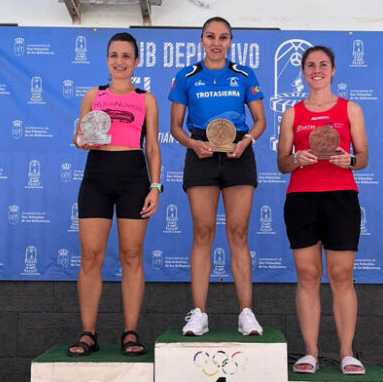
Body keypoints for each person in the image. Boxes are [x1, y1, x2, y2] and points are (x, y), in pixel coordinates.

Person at [169, 16, 267, 336]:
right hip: (201, 153)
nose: (216, 42)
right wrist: (192, 143)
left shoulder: (243, 74)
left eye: (223, 37)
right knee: (203, 231)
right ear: (201, 40)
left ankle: (246, 313)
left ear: (230, 42)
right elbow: (175, 127)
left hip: (238, 152)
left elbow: (260, 122)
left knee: (238, 233)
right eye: (210, 36)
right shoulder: (186, 76)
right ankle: (199, 313)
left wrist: (246, 141)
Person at [68, 32, 161, 357]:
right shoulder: (93, 94)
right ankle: (88, 334)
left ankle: (130, 332)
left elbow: (152, 146)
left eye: (126, 56)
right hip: (97, 176)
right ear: (106, 60)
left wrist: (155, 185)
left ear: (137, 61)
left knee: (131, 257)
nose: (119, 61)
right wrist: (80, 140)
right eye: (114, 55)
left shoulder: (147, 99)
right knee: (91, 256)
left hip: (133, 177)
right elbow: (79, 135)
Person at [276, 46, 368, 375]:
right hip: (302, 198)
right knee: (307, 276)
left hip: (341, 197)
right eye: (311, 65)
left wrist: (350, 161)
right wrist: (296, 159)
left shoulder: (351, 110)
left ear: (333, 69)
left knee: (342, 276)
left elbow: (363, 157)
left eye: (323, 64)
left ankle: (346, 353)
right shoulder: (292, 114)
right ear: (303, 72)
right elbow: (281, 163)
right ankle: (310, 352)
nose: (317, 70)